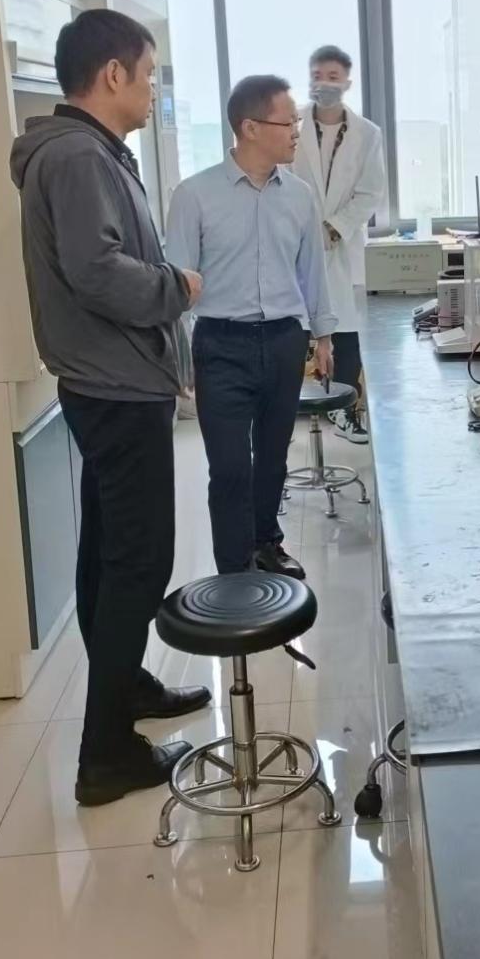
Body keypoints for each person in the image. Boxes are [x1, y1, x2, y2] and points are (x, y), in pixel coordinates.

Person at [10, 9, 211, 808]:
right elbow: (97, 271)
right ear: (114, 74)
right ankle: (105, 756)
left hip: (112, 383)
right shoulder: (77, 157)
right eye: (150, 73)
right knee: (137, 562)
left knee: (107, 555)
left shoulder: (86, 152)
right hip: (117, 387)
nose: (155, 88)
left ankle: (124, 689)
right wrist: (176, 288)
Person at [166, 75, 336, 581]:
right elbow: (174, 286)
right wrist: (178, 357)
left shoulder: (300, 196)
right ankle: (234, 570)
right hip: (221, 344)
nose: (297, 131)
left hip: (284, 340)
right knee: (230, 467)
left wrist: (323, 336)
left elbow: (313, 271)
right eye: (289, 122)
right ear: (250, 128)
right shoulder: (194, 196)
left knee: (273, 458)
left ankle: (266, 543)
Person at [291, 44, 386, 443]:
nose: (324, 83)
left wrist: (334, 227)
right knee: (293, 332)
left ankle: (344, 411)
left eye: (332, 77)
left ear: (347, 82)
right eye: (317, 75)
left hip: (341, 246)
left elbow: (371, 192)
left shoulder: (367, 133)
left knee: (346, 332)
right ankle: (284, 414)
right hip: (294, 244)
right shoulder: (291, 123)